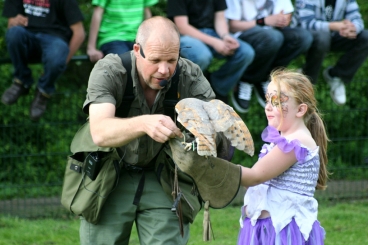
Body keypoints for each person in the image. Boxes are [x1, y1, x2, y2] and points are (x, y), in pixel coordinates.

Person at [79, 16, 218, 244]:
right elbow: (100, 131)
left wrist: (206, 140)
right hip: (111, 173)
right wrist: (144, 123)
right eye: (155, 60)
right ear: (137, 50)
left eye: (172, 59)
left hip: (163, 175)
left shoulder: (189, 75)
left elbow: (215, 128)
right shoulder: (110, 70)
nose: (164, 70)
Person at [236, 69, 328, 244]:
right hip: (264, 229)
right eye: (267, 99)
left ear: (300, 110)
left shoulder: (296, 142)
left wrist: (217, 169)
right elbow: (258, 184)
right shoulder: (281, 141)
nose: (268, 106)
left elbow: (255, 176)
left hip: (283, 233)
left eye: (277, 101)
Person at [1, 0, 85, 121]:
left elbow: (79, 33)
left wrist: (60, 63)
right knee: (14, 33)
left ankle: (44, 90)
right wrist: (15, 21)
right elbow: (11, 25)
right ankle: (21, 81)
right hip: (27, 36)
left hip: (55, 39)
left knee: (58, 52)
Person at [225, 0, 313, 113]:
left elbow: (287, 13)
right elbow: (233, 26)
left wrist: (284, 19)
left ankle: (266, 76)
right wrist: (264, 21)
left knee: (303, 38)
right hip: (244, 35)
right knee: (273, 38)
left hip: (272, 35)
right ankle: (246, 79)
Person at [166, 0, 255, 103]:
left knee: (245, 52)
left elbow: (220, 19)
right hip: (184, 36)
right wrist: (214, 42)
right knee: (202, 56)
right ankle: (186, 91)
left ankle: (218, 88)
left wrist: (225, 36)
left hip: (211, 32)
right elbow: (182, 27)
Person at [291, 0, 368, 106]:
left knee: (365, 37)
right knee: (323, 37)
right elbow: (306, 23)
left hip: (335, 34)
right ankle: (307, 81)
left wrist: (353, 28)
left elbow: (356, 17)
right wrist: (333, 26)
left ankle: (336, 76)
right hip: (306, 37)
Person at [87, 0, 158, 63]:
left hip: (138, 39)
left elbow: (147, 13)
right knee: (125, 65)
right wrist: (91, 48)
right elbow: (97, 13)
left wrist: (150, 42)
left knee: (155, 63)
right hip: (112, 37)